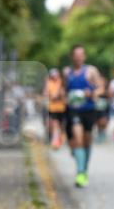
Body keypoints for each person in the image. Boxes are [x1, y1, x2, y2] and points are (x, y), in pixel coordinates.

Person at [63, 45, 104, 187]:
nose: (79, 57)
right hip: (74, 110)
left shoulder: (91, 71)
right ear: (72, 57)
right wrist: (64, 97)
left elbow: (101, 88)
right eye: (76, 54)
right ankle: (80, 171)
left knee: (87, 141)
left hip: (89, 110)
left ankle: (84, 169)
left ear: (84, 56)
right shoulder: (67, 72)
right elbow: (64, 90)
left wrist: (92, 94)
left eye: (81, 54)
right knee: (77, 139)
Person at [44, 68, 67, 149]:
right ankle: (55, 140)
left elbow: (63, 93)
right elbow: (46, 93)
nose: (54, 77)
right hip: (52, 108)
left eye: (56, 75)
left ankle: (60, 139)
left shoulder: (62, 82)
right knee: (54, 124)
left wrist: (59, 95)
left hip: (62, 108)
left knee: (61, 125)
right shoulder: (49, 83)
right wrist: (52, 96)